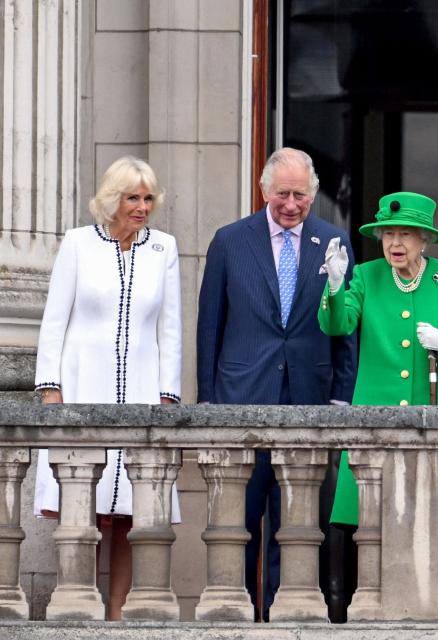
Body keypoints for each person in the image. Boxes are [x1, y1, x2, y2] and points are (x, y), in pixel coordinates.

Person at [196, 147, 358, 621]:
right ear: (264, 191)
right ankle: (240, 619)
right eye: (283, 194)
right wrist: (207, 398)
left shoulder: (333, 241)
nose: (291, 204)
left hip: (309, 403)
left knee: (297, 529)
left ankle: (289, 618)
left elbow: (344, 325)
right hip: (240, 402)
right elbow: (211, 325)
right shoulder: (230, 241)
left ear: (313, 194)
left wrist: (341, 397)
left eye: (301, 195)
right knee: (237, 529)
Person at [33, 156, 182, 620]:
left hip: (141, 391)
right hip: (83, 388)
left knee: (130, 514)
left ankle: (117, 616)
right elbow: (54, 321)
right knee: (86, 508)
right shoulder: (78, 244)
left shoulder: (164, 248)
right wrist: (51, 390)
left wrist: (166, 397)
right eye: (132, 198)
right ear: (111, 199)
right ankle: (79, 607)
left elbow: (170, 329)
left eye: (147, 198)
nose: (141, 207)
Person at [318, 191, 438, 409]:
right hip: (374, 418)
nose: (395, 243)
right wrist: (335, 284)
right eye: (388, 234)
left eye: (405, 234)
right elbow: (336, 325)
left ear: (424, 239)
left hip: (432, 421)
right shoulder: (367, 275)